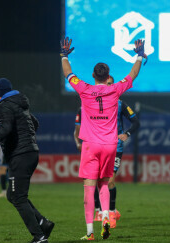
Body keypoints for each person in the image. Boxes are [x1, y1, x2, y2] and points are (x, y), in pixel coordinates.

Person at [61, 37, 145, 240]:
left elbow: (68, 74)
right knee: (105, 184)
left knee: (89, 189)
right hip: (110, 145)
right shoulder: (115, 90)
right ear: (108, 76)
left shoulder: (84, 89)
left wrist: (64, 55)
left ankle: (90, 232)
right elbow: (132, 75)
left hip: (90, 146)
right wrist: (139, 55)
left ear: (92, 75)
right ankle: (106, 217)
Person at [0, 78, 54, 243]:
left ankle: (39, 237)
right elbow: (35, 123)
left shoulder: (5, 106)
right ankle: (43, 223)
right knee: (13, 194)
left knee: (18, 197)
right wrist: (25, 136)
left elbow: (5, 128)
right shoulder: (20, 105)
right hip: (31, 152)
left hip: (21, 155)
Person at [74, 76, 140, 229]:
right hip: (99, 144)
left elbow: (136, 122)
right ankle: (102, 211)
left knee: (109, 181)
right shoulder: (92, 103)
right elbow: (78, 126)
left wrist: (127, 134)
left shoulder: (120, 104)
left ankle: (110, 212)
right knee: (97, 181)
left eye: (111, 84)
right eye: (107, 84)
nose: (108, 87)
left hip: (115, 147)